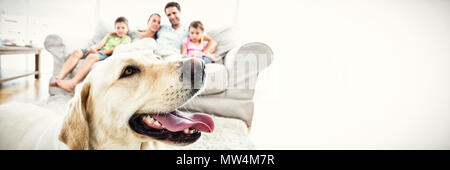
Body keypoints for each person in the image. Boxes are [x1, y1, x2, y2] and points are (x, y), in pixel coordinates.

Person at [50, 16, 132, 92]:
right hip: (99, 50)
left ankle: (72, 84)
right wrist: (94, 48)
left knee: (91, 57)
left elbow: (114, 49)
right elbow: (100, 44)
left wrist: (98, 52)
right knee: (77, 52)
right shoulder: (111, 36)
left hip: (105, 54)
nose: (120, 30)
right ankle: (59, 78)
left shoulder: (127, 39)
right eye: (118, 28)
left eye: (123, 28)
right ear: (115, 28)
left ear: (127, 29)